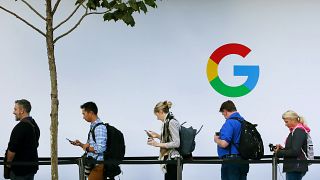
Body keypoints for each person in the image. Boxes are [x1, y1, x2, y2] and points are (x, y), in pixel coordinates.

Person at [71, 102, 107, 180]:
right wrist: (81, 144)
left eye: (84, 114)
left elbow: (101, 148)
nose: (83, 117)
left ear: (90, 113)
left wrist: (86, 148)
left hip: (98, 165)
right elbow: (93, 146)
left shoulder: (99, 128)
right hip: (94, 164)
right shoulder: (93, 126)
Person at [214, 100, 249, 180]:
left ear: (225, 111)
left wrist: (216, 140)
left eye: (223, 113)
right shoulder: (243, 122)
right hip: (243, 161)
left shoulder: (229, 123)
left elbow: (224, 143)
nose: (223, 115)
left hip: (231, 162)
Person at [6, 99, 40, 180]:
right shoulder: (34, 125)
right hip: (30, 169)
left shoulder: (20, 127)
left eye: (15, 109)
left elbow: (12, 150)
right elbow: (35, 145)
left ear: (22, 110)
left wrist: (8, 164)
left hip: (19, 172)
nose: (13, 112)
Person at [147, 101, 181, 180]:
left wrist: (157, 144)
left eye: (157, 115)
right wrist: (157, 136)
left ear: (161, 112)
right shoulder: (168, 121)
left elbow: (176, 143)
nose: (157, 118)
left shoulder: (171, 122)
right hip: (170, 159)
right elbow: (170, 139)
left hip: (173, 160)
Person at [274, 110, 310, 180]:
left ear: (293, 120)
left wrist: (279, 152)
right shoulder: (296, 131)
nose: (285, 124)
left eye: (286, 122)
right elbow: (295, 149)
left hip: (295, 166)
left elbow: (295, 152)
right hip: (295, 166)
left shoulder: (298, 131)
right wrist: (283, 149)